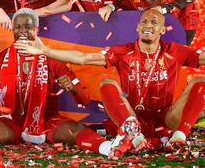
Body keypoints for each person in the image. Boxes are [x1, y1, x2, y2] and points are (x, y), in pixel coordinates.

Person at [15, 8, 205, 155]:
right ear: (138, 27)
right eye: (144, 21)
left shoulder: (174, 50)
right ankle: (135, 137)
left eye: (154, 22)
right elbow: (84, 58)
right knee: (107, 82)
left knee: (201, 81)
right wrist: (44, 50)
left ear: (162, 29)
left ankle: (179, 136)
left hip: (166, 119)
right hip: (131, 117)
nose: (148, 25)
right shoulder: (123, 51)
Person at [0, 9, 116, 157]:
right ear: (12, 30)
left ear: (36, 30)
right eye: (18, 27)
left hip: (47, 121)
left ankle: (109, 149)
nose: (22, 31)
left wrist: (72, 88)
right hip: (9, 121)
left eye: (28, 27)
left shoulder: (52, 57)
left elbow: (84, 100)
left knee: (76, 129)